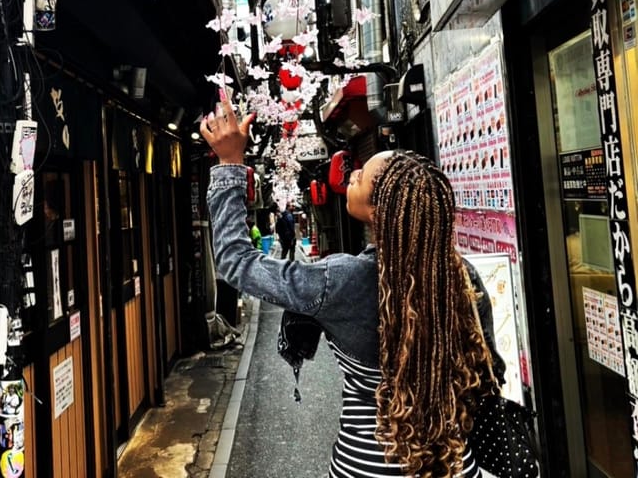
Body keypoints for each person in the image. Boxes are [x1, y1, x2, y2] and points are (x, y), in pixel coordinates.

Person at [200, 93, 505, 478]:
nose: (353, 174)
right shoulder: (458, 276)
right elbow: (489, 368)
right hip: (454, 466)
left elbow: (237, 263)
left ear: (381, 210)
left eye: (363, 175)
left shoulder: (339, 280)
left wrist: (229, 164)